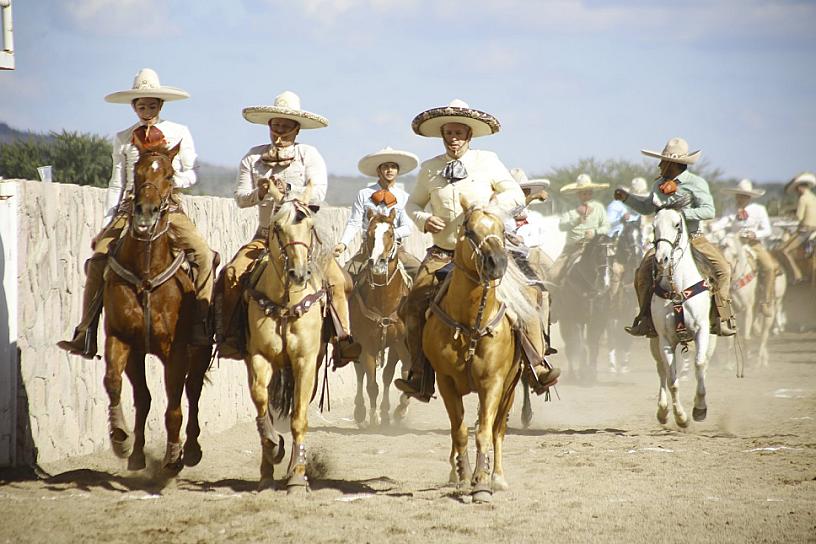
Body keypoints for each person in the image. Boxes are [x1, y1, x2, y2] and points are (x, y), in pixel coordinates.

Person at [394, 99, 559, 402]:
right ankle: (419, 375)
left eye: (459, 132)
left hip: (485, 250)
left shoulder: (488, 161)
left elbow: (512, 193)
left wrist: (488, 212)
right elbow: (413, 203)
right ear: (442, 135)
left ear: (469, 135)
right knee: (413, 305)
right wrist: (423, 218)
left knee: (526, 297)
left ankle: (536, 364)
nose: (453, 138)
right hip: (444, 253)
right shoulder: (429, 169)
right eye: (448, 133)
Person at [58, 68, 214, 358]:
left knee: (203, 254)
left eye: (152, 105)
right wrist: (107, 223)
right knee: (97, 262)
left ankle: (201, 322)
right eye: (141, 106)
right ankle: (86, 330)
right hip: (130, 208)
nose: (146, 111)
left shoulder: (179, 132)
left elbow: (191, 173)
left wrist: (169, 180)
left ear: (160, 105)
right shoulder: (123, 138)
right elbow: (117, 181)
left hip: (168, 208)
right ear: (133, 107)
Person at [215, 91, 360, 362]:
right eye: (275, 125)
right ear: (269, 126)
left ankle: (343, 339)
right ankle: (230, 336)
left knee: (338, 281)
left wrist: (287, 190)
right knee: (232, 273)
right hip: (265, 235)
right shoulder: (253, 158)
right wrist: (259, 192)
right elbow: (240, 198)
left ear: (296, 128)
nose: (279, 131)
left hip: (303, 237)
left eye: (285, 126)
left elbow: (316, 193)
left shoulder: (309, 155)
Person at [616, 137, 736, 337]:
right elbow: (647, 208)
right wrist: (627, 198)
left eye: (664, 162)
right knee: (642, 274)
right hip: (665, 241)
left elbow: (708, 211)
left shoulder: (696, 183)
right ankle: (646, 318)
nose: (660, 165)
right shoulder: (658, 185)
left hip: (694, 238)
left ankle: (720, 317)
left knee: (723, 269)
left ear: (675, 164)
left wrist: (678, 217)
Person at [334, 147, 421, 278]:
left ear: (397, 171)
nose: (389, 170)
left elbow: (407, 227)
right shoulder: (364, 194)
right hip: (368, 249)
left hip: (395, 248)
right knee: (343, 278)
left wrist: (386, 235)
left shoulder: (404, 197)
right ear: (378, 170)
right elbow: (354, 222)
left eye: (393, 167)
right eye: (386, 166)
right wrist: (343, 243)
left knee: (420, 273)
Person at [710, 179, 777, 316]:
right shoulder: (730, 208)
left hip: (753, 244)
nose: (740, 198)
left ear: (749, 197)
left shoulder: (759, 210)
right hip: (733, 243)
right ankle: (717, 300)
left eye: (743, 196)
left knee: (769, 267)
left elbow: (768, 230)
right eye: (738, 195)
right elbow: (723, 222)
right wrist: (711, 226)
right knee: (714, 264)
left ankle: (765, 300)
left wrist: (755, 234)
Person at [548, 173, 611, 282]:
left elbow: (607, 226)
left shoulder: (598, 207)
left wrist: (595, 232)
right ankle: (554, 297)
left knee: (614, 269)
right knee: (553, 274)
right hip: (573, 248)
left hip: (596, 246)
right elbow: (562, 226)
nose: (586, 195)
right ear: (578, 193)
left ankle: (617, 295)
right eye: (583, 193)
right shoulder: (569, 207)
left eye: (589, 192)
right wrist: (576, 221)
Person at [780, 172, 816, 283]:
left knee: (784, 250)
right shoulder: (813, 197)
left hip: (806, 231)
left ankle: (797, 274)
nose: (796, 192)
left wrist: (791, 214)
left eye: (796, 189)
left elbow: (799, 217)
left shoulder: (802, 199)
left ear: (800, 187)